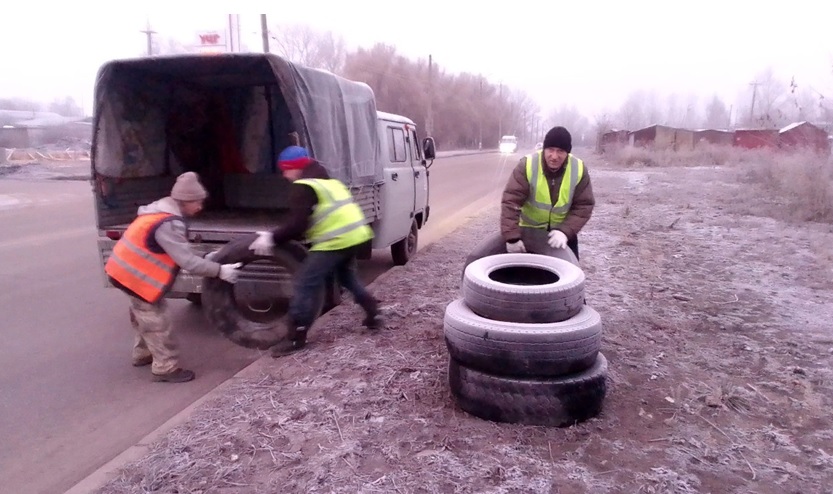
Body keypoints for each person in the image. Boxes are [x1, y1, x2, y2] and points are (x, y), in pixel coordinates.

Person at [104, 172, 242, 383]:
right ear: (185, 201)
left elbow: (178, 252)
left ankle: (143, 353)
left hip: (124, 271)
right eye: (198, 202)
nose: (200, 207)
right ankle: (165, 368)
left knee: (142, 315)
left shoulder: (158, 213)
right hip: (135, 277)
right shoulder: (168, 223)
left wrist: (207, 258)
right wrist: (220, 271)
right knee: (157, 321)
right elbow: (187, 262)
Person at [248, 146, 383, 357]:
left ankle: (296, 338)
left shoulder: (304, 187)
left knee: (304, 283)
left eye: (285, 170)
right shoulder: (330, 183)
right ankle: (373, 313)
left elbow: (297, 225)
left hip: (335, 241)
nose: (284, 176)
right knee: (347, 278)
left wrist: (271, 237)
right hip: (356, 236)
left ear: (295, 168)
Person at [500, 126, 595, 260]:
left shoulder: (578, 169)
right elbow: (511, 201)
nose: (554, 156)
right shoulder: (527, 165)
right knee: (527, 276)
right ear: (544, 149)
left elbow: (584, 205)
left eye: (560, 151)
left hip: (561, 236)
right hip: (529, 232)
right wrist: (512, 237)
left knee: (572, 270)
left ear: (567, 152)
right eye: (550, 149)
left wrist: (565, 231)